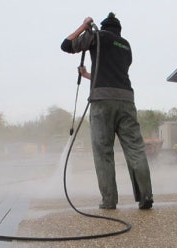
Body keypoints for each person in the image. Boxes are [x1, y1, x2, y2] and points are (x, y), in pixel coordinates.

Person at [61, 13, 153, 210]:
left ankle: (109, 201)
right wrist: (87, 75)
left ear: (103, 27)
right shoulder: (126, 45)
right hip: (126, 100)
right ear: (119, 30)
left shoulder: (98, 36)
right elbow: (113, 72)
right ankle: (146, 196)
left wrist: (83, 25)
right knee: (136, 149)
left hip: (102, 102)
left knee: (103, 152)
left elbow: (66, 45)